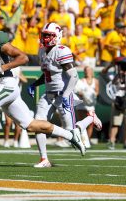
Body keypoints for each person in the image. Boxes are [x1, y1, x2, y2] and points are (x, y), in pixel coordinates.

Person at [0, 14, 102, 165]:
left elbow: (23, 57)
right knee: (30, 125)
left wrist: (2, 68)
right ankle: (70, 135)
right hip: (0, 86)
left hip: (7, 84)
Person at [27, 22, 98, 168]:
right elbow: (47, 74)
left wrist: (66, 95)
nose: (45, 38)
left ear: (57, 36)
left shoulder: (62, 51)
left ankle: (90, 117)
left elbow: (74, 77)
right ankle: (43, 159)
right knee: (38, 124)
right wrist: (35, 84)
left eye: (49, 35)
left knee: (71, 132)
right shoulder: (42, 51)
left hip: (63, 95)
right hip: (48, 95)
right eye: (44, 35)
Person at [103, 58, 126, 149]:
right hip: (119, 100)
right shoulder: (117, 75)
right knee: (115, 123)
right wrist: (118, 74)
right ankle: (112, 141)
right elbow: (113, 82)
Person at [75, 66, 99, 148]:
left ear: (92, 72)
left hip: (91, 106)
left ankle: (87, 140)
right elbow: (78, 91)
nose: (87, 72)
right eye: (86, 70)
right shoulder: (81, 81)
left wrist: (91, 97)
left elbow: (97, 92)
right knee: (82, 124)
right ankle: (82, 141)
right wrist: (84, 95)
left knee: (90, 124)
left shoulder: (96, 81)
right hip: (81, 105)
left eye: (89, 70)